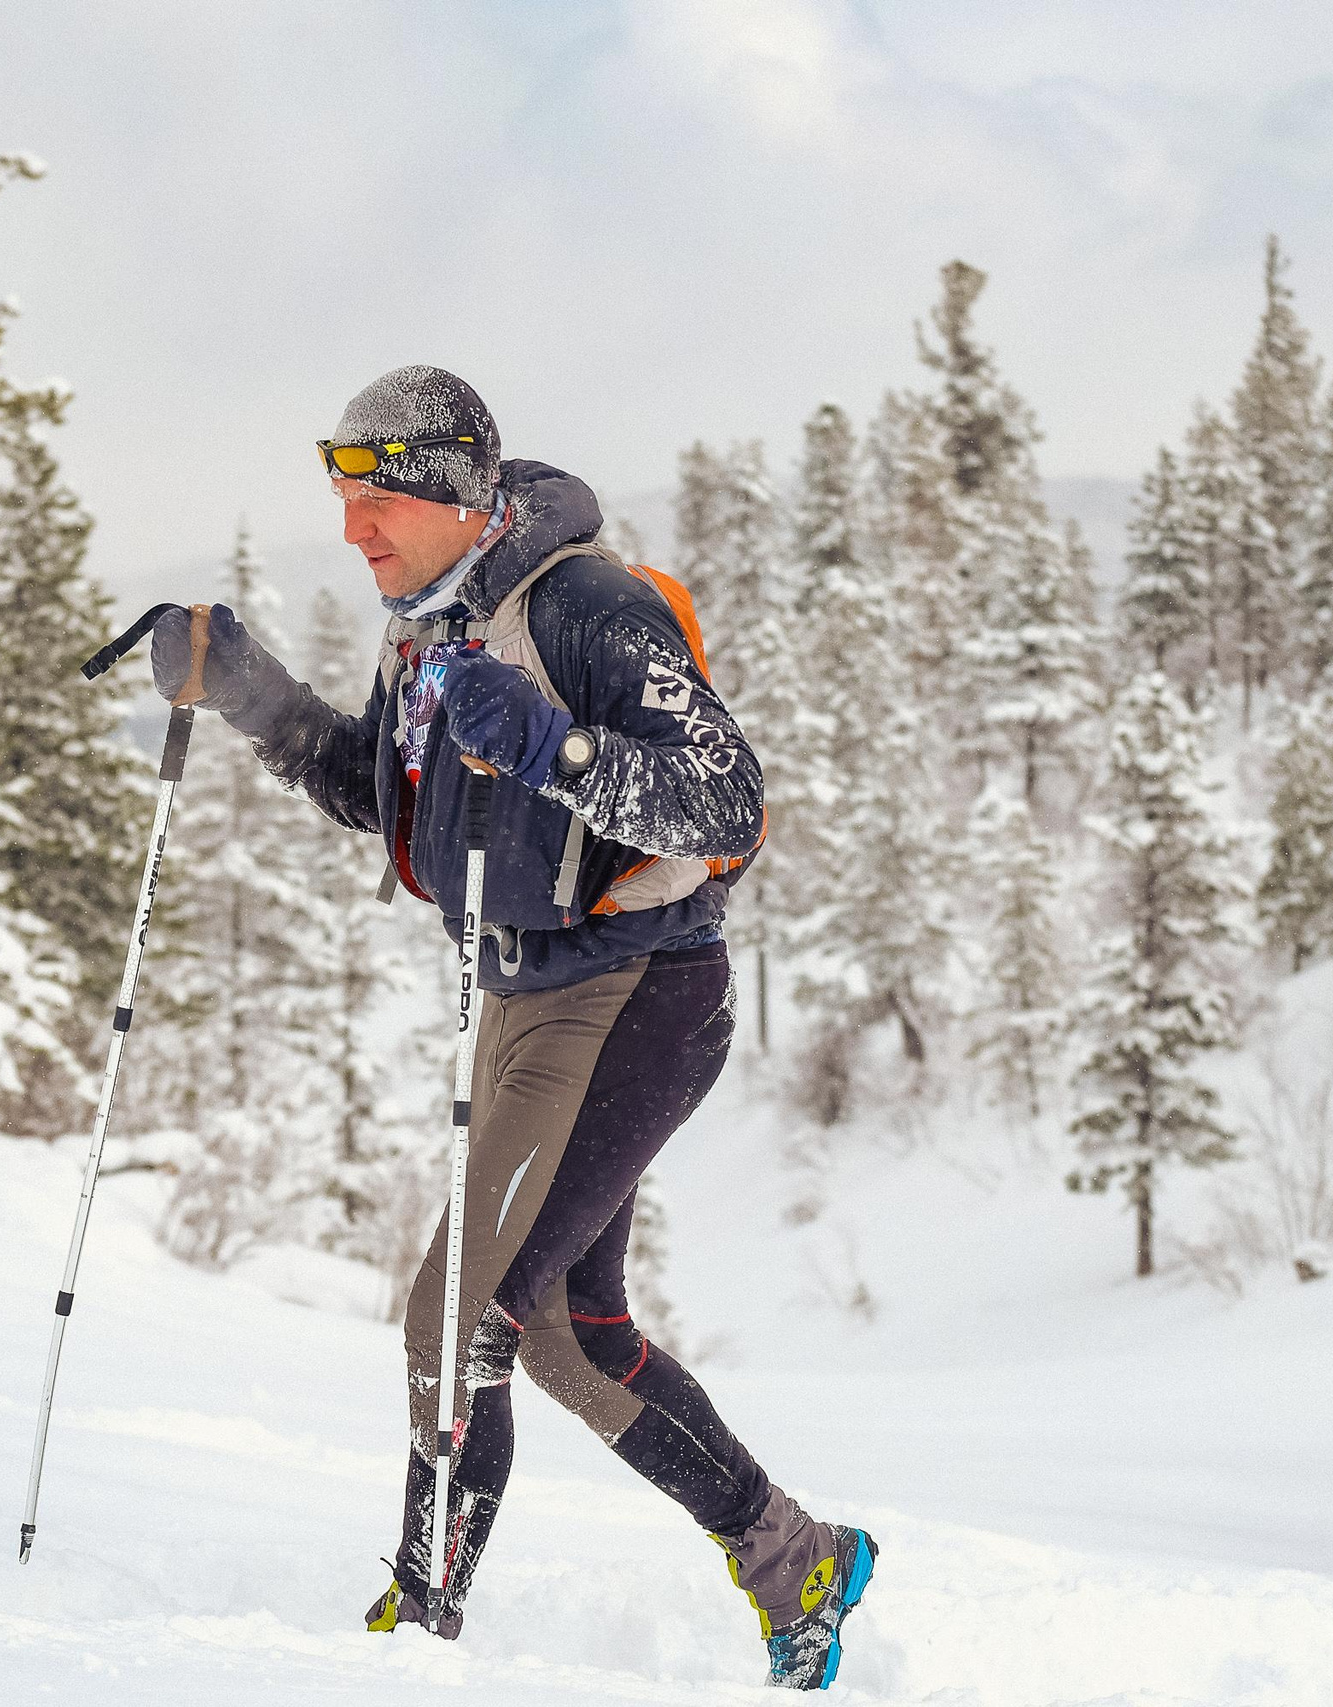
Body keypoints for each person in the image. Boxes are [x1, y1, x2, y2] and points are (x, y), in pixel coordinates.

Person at [144, 366, 875, 1690]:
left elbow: (730, 809)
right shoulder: (426, 624)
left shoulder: (587, 607)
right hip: (525, 997)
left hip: (637, 996)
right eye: (343, 502)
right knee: (559, 1332)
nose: (354, 532)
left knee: (460, 1321)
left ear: (454, 491)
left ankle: (422, 1629)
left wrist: (562, 752)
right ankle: (798, 1558)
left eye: (376, 504)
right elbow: (379, 798)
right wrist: (247, 692)